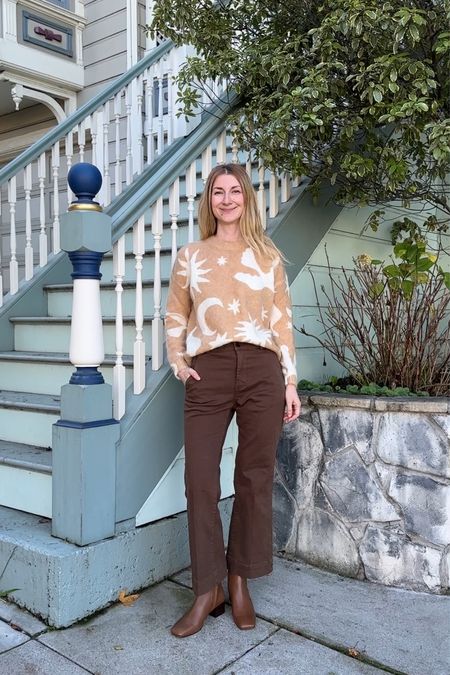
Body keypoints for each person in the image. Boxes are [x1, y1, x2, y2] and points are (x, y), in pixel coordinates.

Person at [165, 163, 300, 638]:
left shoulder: (268, 256)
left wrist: (290, 381)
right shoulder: (190, 255)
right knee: (200, 480)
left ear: (247, 199)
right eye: (218, 192)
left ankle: (239, 580)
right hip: (210, 370)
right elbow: (175, 315)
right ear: (209, 201)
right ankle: (208, 588)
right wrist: (179, 364)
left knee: (254, 477)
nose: (226, 199)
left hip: (263, 371)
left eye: (235, 191)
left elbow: (282, 320)